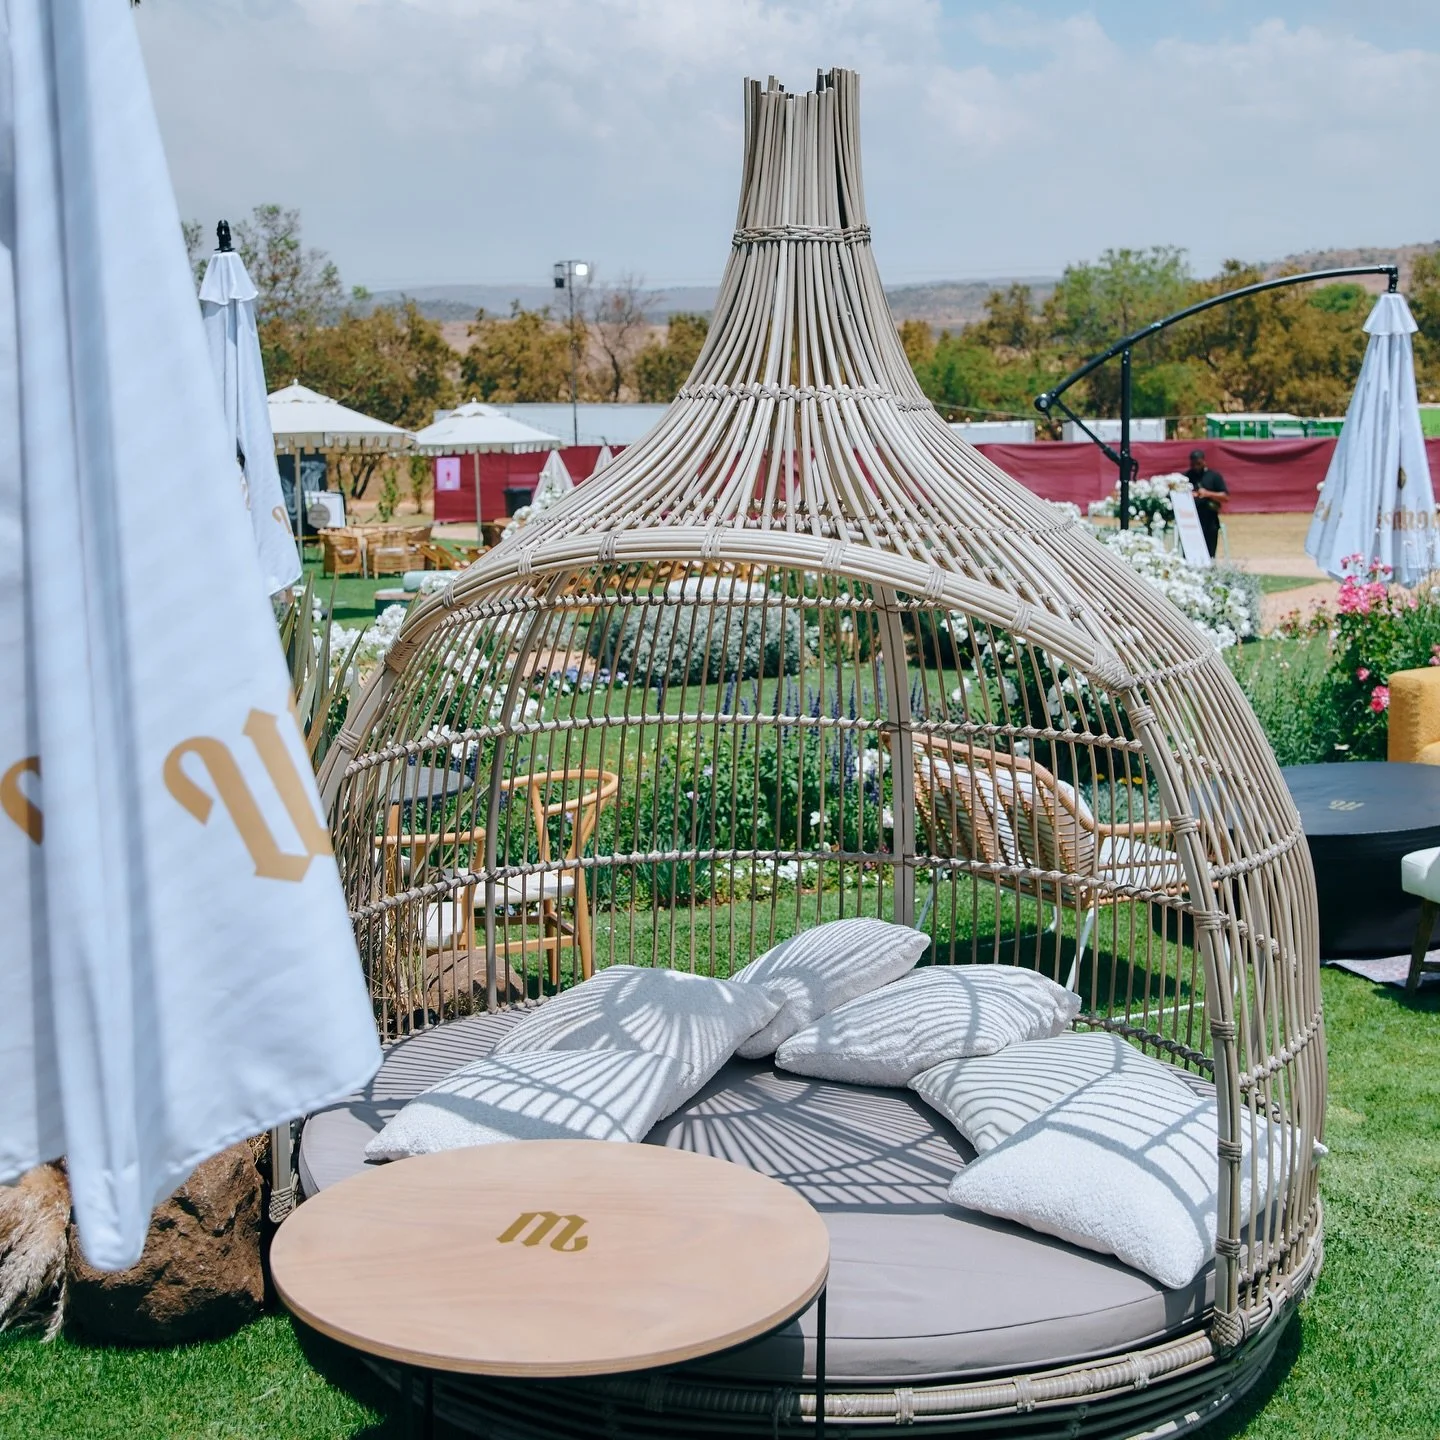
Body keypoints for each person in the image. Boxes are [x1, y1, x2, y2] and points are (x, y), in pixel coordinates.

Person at [1184, 447, 1228, 557]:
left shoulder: (1214, 476)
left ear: (1204, 461)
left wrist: (1208, 494)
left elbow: (1225, 497)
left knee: (1210, 553)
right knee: (1190, 553)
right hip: (1191, 520)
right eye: (1193, 464)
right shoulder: (1186, 477)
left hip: (1210, 520)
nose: (1196, 467)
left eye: (1198, 463)